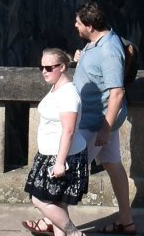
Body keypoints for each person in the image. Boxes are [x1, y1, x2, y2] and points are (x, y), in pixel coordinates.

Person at [73, 3, 137, 234]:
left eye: (78, 23)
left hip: (95, 121)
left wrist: (104, 128)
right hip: (99, 119)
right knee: (113, 165)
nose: (75, 26)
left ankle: (55, 221)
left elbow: (116, 91)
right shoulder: (98, 42)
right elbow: (97, 70)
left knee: (69, 168)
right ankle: (126, 221)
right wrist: (81, 58)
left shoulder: (109, 50)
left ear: (90, 26)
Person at [26, 46, 89, 236]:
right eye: (41, 67)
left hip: (62, 156)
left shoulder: (68, 94)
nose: (44, 72)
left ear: (62, 67)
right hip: (50, 153)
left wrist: (60, 163)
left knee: (39, 200)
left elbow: (68, 131)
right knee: (58, 203)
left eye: (49, 68)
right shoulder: (56, 88)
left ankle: (74, 233)